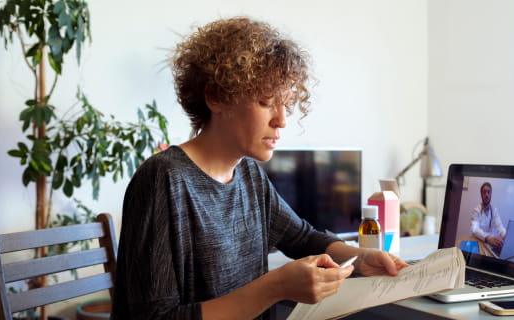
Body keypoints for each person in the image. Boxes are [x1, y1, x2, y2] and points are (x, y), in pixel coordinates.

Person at [111, 17, 409, 320]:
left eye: (286, 104)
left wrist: (360, 258)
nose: (282, 120)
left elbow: (303, 238)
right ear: (216, 97)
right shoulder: (163, 180)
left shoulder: (249, 176)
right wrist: (275, 286)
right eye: (267, 102)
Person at [470, 182, 506, 252]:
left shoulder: (494, 211)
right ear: (481, 195)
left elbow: (499, 226)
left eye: (489, 192)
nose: (487, 195)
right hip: (479, 242)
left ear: (491, 194)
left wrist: (505, 236)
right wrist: (487, 237)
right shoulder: (476, 210)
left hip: (491, 245)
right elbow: (474, 229)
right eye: (484, 192)